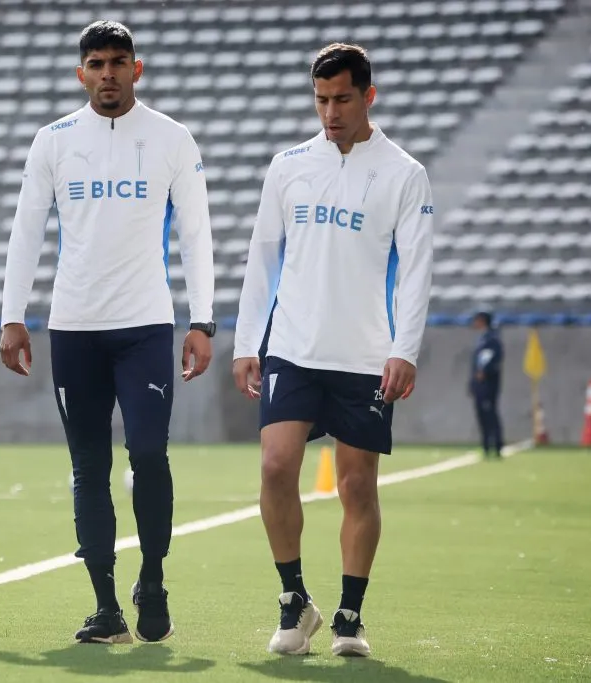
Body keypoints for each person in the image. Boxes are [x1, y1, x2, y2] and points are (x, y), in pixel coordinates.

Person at [0, 20, 216, 644]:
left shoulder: (172, 139)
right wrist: (12, 315)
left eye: (119, 62)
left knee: (148, 453)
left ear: (137, 69)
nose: (108, 74)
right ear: (81, 74)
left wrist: (202, 321)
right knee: (88, 466)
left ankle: (151, 577)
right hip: (75, 328)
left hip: (146, 325)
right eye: (97, 63)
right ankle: (105, 605)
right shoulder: (55, 140)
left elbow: (196, 234)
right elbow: (27, 231)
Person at [231, 43, 435, 658]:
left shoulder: (404, 173)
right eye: (320, 100)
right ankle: (294, 601)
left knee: (356, 486)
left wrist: (406, 349)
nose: (330, 111)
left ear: (368, 96)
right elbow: (263, 257)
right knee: (274, 465)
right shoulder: (288, 165)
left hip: (365, 355)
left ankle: (349, 615)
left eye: (342, 98)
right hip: (292, 346)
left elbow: (417, 269)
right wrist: (247, 343)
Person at [468, 310, 505, 458]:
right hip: (480, 385)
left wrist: (484, 371)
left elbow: (489, 361)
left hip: (488, 384)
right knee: (482, 415)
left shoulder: (491, 339)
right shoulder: (483, 338)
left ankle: (496, 446)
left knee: (490, 414)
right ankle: (486, 446)